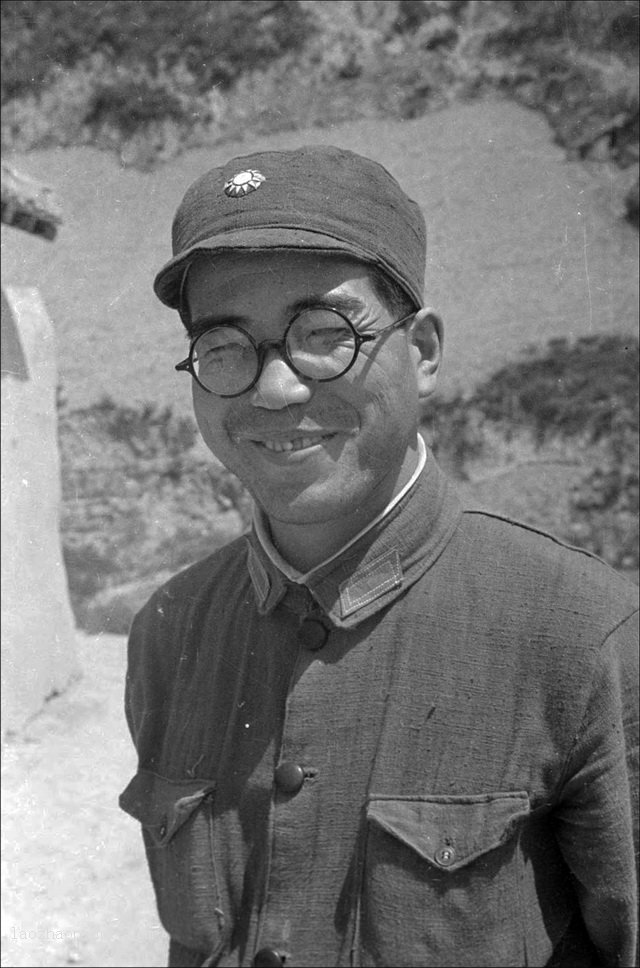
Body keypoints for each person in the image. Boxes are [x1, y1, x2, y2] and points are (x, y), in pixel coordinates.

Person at [119, 145, 638, 968]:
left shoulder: (585, 635)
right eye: (223, 345)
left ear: (423, 352)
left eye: (325, 334)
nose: (275, 389)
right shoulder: (169, 631)